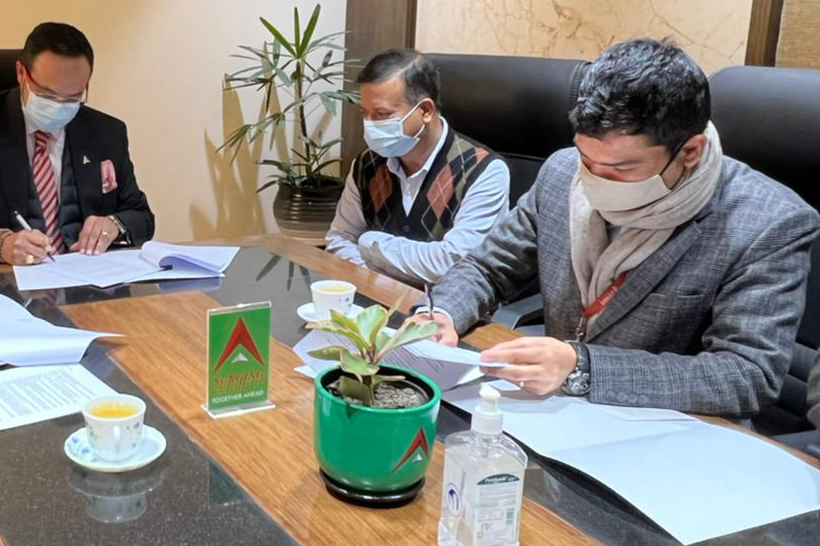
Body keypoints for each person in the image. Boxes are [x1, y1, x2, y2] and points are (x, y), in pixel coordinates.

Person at [409, 38, 820, 417]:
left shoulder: (768, 222)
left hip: (670, 432)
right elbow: (488, 267)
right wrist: (442, 313)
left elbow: (746, 374)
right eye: (587, 159)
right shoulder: (561, 173)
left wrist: (582, 367)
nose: (595, 180)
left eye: (621, 169)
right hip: (553, 413)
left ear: (690, 151)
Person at [0, 22, 154, 266]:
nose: (58, 105)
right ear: (21, 73)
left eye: (73, 97)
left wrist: (114, 225)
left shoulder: (106, 132)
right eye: (47, 95)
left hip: (87, 277)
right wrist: (0, 244)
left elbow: (142, 217)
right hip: (7, 279)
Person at [325, 50, 510, 284]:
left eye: (382, 114)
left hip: (447, 305)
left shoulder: (484, 171)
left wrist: (370, 244)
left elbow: (455, 263)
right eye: (365, 113)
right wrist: (376, 282)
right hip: (374, 298)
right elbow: (340, 239)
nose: (369, 125)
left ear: (425, 111)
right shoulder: (367, 164)